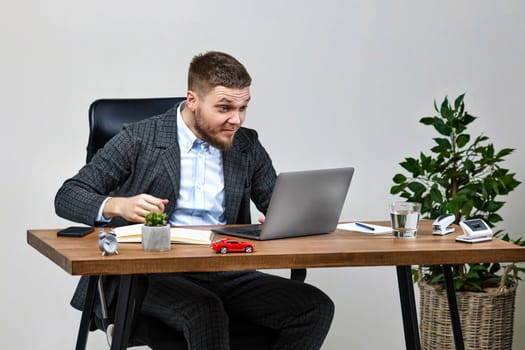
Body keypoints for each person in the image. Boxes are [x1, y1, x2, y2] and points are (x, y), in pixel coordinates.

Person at [55, 51, 334, 350]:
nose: (236, 120)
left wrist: (285, 219)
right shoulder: (139, 138)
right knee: (205, 310)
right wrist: (117, 205)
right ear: (192, 100)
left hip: (225, 269)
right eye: (224, 108)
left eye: (243, 108)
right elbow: (67, 196)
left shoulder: (246, 145)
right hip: (150, 274)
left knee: (314, 308)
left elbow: (275, 204)